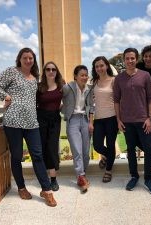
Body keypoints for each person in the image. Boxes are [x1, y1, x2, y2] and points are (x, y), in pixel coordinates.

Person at [0, 47, 57, 207]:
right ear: (19, 59)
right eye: (25, 58)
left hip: (32, 123)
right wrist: (5, 96)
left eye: (31, 58)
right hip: (13, 122)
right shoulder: (12, 71)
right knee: (17, 156)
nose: (28, 60)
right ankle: (21, 187)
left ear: (33, 60)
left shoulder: (35, 77)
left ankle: (46, 190)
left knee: (38, 156)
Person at [113, 47, 151, 196]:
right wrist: (118, 120)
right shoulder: (119, 78)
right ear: (124, 60)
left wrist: (149, 118)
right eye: (127, 58)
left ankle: (148, 179)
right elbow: (116, 101)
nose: (130, 61)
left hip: (144, 120)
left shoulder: (145, 76)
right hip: (127, 121)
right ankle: (134, 176)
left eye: (132, 58)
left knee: (149, 150)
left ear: (136, 59)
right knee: (131, 150)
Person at [61, 65, 94, 193]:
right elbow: (57, 96)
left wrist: (91, 123)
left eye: (86, 75)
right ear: (75, 76)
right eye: (82, 75)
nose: (84, 77)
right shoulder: (68, 88)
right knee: (77, 149)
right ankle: (80, 175)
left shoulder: (89, 90)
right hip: (73, 120)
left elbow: (91, 106)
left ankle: (82, 175)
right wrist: (62, 109)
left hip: (85, 120)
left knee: (86, 151)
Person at [37, 61, 64, 191]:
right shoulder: (39, 87)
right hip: (41, 120)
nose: (51, 71)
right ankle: (44, 178)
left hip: (54, 120)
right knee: (42, 148)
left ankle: (53, 179)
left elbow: (69, 99)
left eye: (53, 69)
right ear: (45, 72)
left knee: (52, 148)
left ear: (56, 71)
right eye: (48, 69)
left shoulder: (61, 85)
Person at [91, 56, 118, 183]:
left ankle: (108, 170)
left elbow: (119, 100)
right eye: (97, 66)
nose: (99, 68)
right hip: (98, 118)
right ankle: (109, 156)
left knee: (111, 144)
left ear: (106, 66)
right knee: (97, 145)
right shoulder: (94, 82)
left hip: (112, 117)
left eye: (101, 65)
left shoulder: (114, 80)